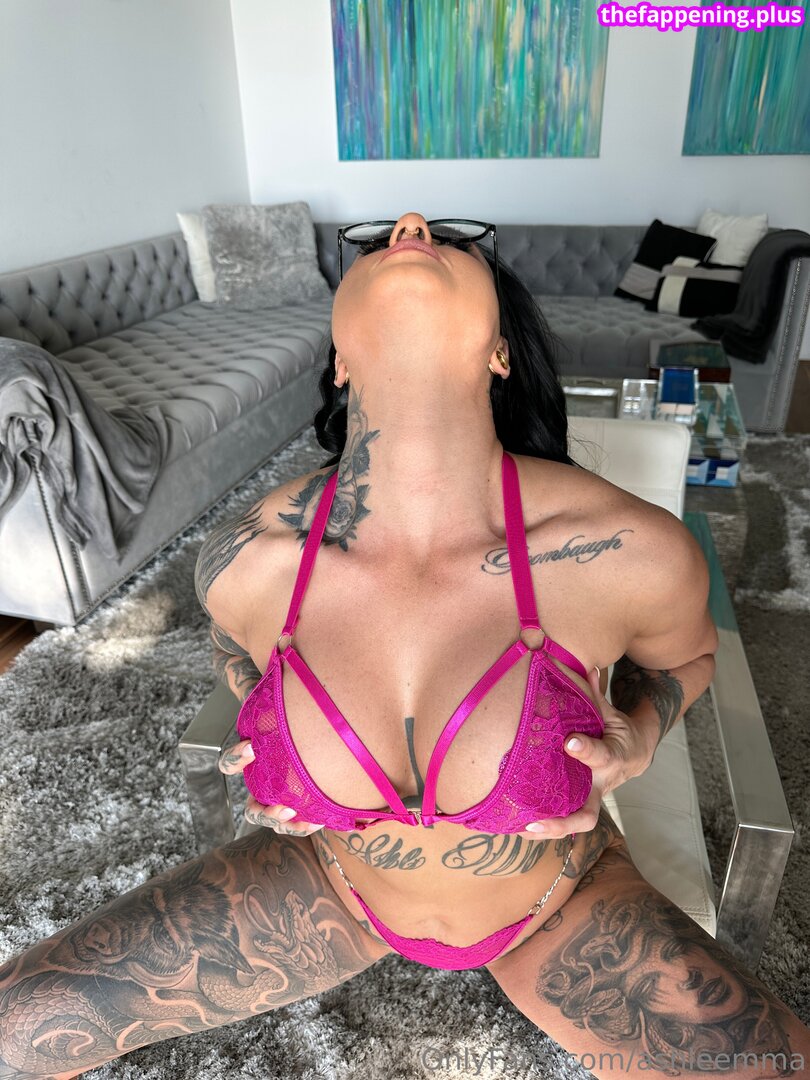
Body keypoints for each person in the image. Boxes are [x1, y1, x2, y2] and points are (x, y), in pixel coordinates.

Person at [1, 211, 807, 1079]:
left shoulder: (625, 550)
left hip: (563, 904)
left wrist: (640, 737)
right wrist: (259, 711)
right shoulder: (248, 559)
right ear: (340, 362)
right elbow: (232, 651)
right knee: (17, 1027)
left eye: (449, 241)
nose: (411, 226)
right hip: (328, 890)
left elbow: (685, 659)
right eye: (381, 238)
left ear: (501, 353)